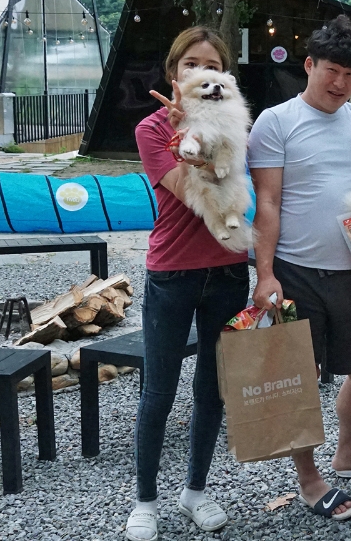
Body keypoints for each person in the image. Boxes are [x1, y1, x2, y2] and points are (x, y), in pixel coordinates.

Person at [247, 15, 351, 522]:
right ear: (309, 65)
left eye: (350, 74)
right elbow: (268, 202)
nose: (340, 83)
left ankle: (349, 453)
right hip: (295, 270)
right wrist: (265, 274)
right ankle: (309, 479)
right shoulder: (276, 122)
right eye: (331, 70)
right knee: (299, 377)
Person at [127, 27, 249, 541]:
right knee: (158, 390)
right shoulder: (152, 128)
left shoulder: (237, 120)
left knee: (212, 390)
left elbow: (241, 188)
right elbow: (185, 191)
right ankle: (145, 501)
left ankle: (195, 490)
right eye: (191, 65)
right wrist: (187, 138)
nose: (202, 74)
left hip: (228, 270)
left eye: (212, 66)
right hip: (172, 271)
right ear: (174, 74)